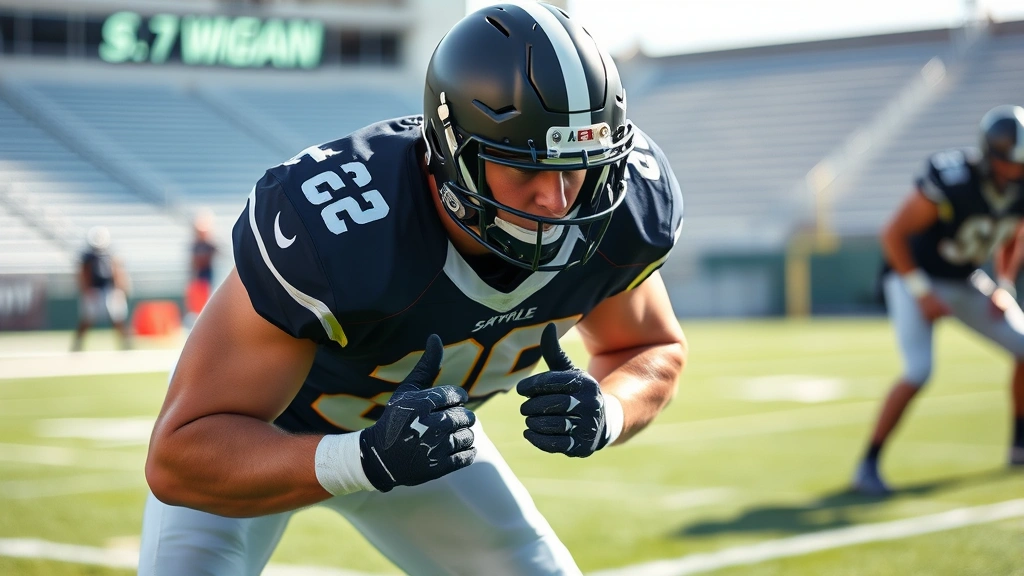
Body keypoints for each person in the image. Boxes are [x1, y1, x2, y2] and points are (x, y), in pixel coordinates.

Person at [139, 4, 686, 575]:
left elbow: (649, 348)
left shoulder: (614, 215)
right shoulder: (342, 231)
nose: (558, 200)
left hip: (428, 442)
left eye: (578, 165)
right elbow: (181, 457)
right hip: (267, 440)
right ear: (454, 153)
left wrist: (608, 410)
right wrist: (366, 456)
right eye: (524, 168)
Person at [853, 105, 1024, 496]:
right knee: (918, 371)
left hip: (965, 279)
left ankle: (1019, 444)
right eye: (1013, 163)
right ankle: (868, 465)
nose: (1018, 172)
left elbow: (1014, 232)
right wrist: (922, 293)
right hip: (914, 275)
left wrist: (1005, 283)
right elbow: (893, 234)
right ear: (992, 155)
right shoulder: (954, 178)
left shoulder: (1019, 188)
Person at [71, 226, 132, 351]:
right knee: (88, 318)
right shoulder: (87, 256)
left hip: (110, 288)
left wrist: (120, 288)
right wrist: (86, 290)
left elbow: (117, 272)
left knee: (117, 317)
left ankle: (125, 343)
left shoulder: (111, 254)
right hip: (94, 289)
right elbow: (83, 275)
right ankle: (78, 343)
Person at [183, 208, 218, 329]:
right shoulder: (195, 245)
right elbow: (194, 264)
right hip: (199, 280)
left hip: (207, 280)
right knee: (196, 308)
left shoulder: (210, 245)